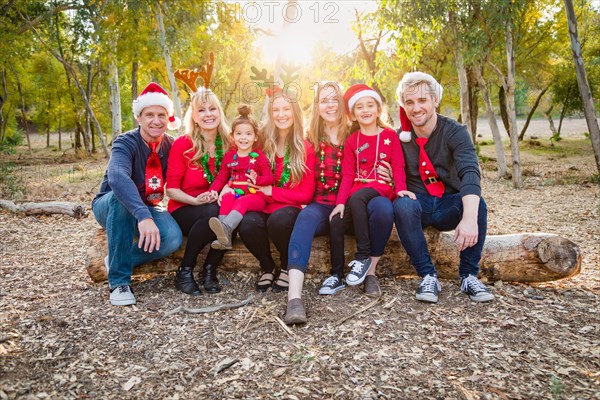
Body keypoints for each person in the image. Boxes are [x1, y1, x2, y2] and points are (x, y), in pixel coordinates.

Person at [284, 81, 396, 325]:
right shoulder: (309, 138)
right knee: (304, 219)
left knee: (381, 208)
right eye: (324, 100)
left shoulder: (356, 132)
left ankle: (370, 274)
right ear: (317, 106)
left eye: (334, 99)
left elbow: (387, 157)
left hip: (356, 206)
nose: (330, 105)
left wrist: (391, 177)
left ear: (343, 104)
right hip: (322, 205)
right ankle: (294, 299)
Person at [393, 71, 494, 303]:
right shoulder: (399, 138)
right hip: (419, 204)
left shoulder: (455, 132)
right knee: (402, 205)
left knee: (476, 205)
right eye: (409, 102)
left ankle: (468, 275)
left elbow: (470, 172)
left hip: (448, 203)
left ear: (435, 100)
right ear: (403, 106)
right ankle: (428, 275)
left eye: (422, 100)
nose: (416, 108)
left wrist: (468, 219)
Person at [92, 82, 183, 306]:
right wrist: (143, 215)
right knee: (121, 198)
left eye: (161, 114)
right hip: (111, 204)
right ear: (139, 117)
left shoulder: (171, 145)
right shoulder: (125, 142)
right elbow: (117, 178)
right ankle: (119, 281)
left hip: (149, 206)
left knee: (172, 237)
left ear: (168, 117)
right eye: (149, 114)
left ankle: (116, 259)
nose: (156, 120)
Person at [330, 84, 414, 291]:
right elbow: (348, 174)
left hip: (381, 187)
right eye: (360, 107)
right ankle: (336, 275)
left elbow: (397, 165)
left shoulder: (389, 136)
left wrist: (400, 188)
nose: (366, 110)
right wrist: (340, 203)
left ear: (378, 110)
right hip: (358, 190)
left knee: (363, 199)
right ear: (353, 114)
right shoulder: (352, 141)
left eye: (370, 105)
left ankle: (363, 257)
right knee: (336, 220)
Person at [237, 87, 316, 295]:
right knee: (246, 224)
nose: (281, 115)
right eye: (276, 110)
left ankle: (286, 266)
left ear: (295, 112)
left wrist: (272, 190)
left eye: (286, 109)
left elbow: (306, 195)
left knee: (278, 221)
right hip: (261, 203)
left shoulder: (304, 147)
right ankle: (267, 266)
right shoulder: (262, 143)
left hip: (289, 207)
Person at [165, 86, 230, 296]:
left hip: (216, 205)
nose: (208, 114)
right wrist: (195, 201)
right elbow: (171, 190)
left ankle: (210, 270)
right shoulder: (183, 144)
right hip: (185, 208)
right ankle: (185, 271)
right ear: (193, 116)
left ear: (220, 112)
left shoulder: (230, 143)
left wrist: (224, 190)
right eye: (201, 110)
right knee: (212, 212)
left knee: (227, 213)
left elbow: (237, 176)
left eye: (213, 109)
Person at [208, 104, 273, 250]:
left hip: (256, 196)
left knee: (242, 201)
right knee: (227, 198)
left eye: (248, 134)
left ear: (255, 137)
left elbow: (269, 178)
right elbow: (221, 177)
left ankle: (225, 228)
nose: (243, 138)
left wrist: (257, 179)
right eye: (239, 134)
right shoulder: (230, 157)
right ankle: (225, 240)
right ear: (232, 136)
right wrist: (213, 190)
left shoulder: (259, 157)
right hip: (236, 193)